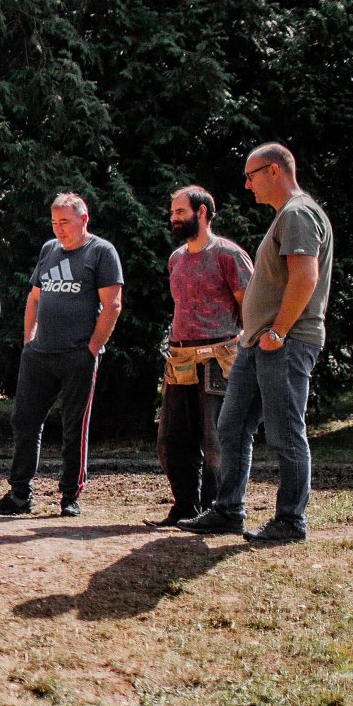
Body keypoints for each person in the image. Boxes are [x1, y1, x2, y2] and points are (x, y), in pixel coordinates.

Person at [181, 144, 333, 544]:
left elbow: (306, 278)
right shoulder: (287, 215)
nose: (246, 185)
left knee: (286, 433)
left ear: (274, 171)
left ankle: (290, 521)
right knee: (231, 424)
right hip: (257, 343)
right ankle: (228, 511)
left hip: (284, 342)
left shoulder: (298, 213)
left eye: (251, 175)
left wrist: (278, 331)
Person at [0, 193, 123, 518]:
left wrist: (91, 348)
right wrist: (28, 340)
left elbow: (113, 305)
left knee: (75, 427)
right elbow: (34, 298)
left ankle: (70, 497)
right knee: (24, 422)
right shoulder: (49, 250)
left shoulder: (101, 252)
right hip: (39, 355)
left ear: (83, 218)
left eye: (65, 222)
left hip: (78, 356)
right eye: (54, 222)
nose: (59, 229)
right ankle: (19, 495)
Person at [149, 186, 251, 527]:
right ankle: (185, 508)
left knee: (215, 440)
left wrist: (248, 353)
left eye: (180, 212)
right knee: (171, 437)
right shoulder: (176, 258)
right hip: (179, 359)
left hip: (219, 357)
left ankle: (216, 511)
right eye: (173, 212)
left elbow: (247, 307)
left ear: (202, 212)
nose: (173, 218)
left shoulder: (229, 254)